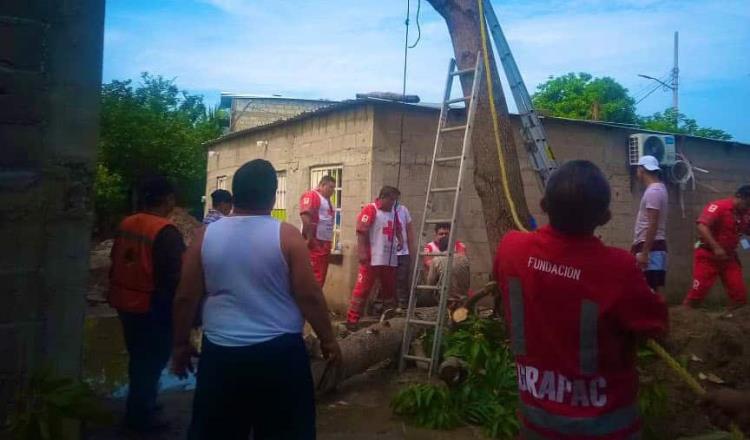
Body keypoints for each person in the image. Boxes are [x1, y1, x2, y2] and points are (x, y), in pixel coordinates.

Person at [493, 160, 668, 439]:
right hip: (608, 430)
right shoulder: (619, 268)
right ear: (606, 217)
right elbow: (656, 325)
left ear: (543, 205)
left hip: (535, 427)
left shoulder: (511, 248)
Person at [171, 159, 341, 439]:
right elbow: (309, 296)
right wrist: (328, 340)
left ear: (235, 194)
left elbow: (185, 297)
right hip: (280, 356)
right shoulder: (286, 236)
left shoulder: (205, 236)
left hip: (221, 355)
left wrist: (179, 344)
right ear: (273, 196)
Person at [108, 176, 185, 432]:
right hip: (150, 306)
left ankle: (142, 404)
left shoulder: (127, 223)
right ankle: (140, 417)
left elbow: (115, 258)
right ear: (169, 200)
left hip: (123, 301)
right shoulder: (165, 232)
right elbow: (174, 279)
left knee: (138, 357)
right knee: (151, 361)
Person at [683, 184, 750, 310]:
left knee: (739, 295)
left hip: (729, 258)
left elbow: (747, 229)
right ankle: (685, 317)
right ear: (739, 197)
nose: (748, 208)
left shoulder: (744, 213)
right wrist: (716, 247)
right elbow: (702, 226)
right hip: (708, 256)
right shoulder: (719, 207)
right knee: (698, 292)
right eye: (747, 204)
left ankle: (733, 322)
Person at [346, 186, 403, 329]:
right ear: (383, 197)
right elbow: (361, 231)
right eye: (391, 200)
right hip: (372, 258)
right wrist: (362, 252)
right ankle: (352, 320)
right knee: (363, 289)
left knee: (389, 289)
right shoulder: (370, 209)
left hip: (388, 258)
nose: (393, 203)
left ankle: (389, 316)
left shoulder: (394, 213)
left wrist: (401, 240)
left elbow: (398, 229)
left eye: (395, 200)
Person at [631, 155, 669, 292]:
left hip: (651, 248)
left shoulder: (654, 192)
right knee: (652, 289)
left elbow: (653, 223)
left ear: (641, 170)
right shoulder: (659, 189)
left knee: (649, 289)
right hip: (650, 246)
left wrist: (645, 252)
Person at [299, 175, 336, 287]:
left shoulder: (327, 200)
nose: (333, 191)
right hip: (315, 243)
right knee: (314, 277)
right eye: (330, 187)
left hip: (324, 244)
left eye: (334, 188)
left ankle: (315, 301)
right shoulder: (312, 195)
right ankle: (308, 303)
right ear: (322, 185)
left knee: (320, 277)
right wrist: (309, 238)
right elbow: (305, 216)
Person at [425, 236, 470, 308]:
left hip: (446, 297)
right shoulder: (464, 258)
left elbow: (430, 283)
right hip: (463, 295)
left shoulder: (437, 260)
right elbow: (468, 280)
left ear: (440, 247)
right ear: (453, 246)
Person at [395, 200, 415, 310]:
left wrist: (411, 251)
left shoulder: (403, 210)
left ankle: (403, 304)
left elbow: (409, 230)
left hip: (403, 252)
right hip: (389, 252)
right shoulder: (384, 211)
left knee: (403, 278)